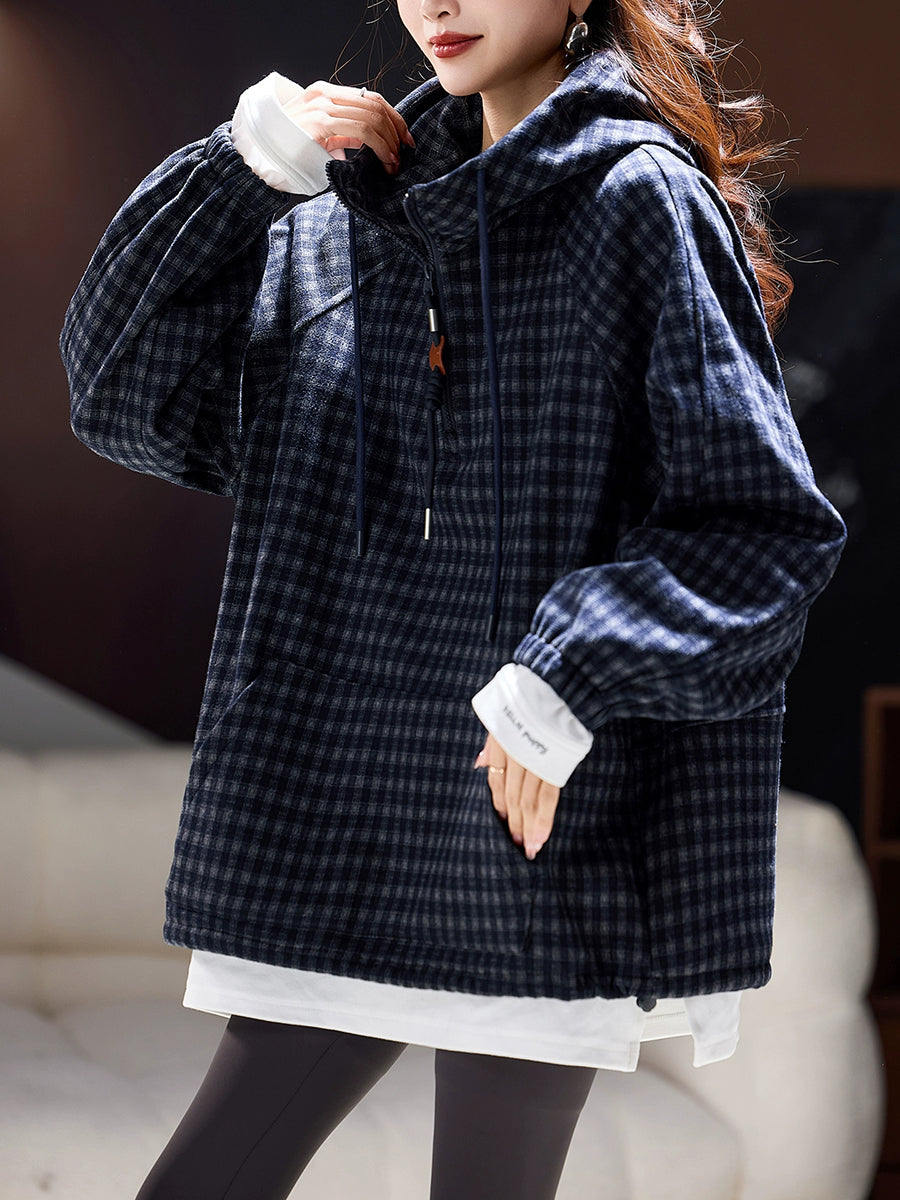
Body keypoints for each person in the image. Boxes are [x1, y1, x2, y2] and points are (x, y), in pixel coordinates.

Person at [59, 0, 847, 1197]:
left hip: (526, 838)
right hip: (334, 823)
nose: (438, 3)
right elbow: (123, 396)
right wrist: (243, 167)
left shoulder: (637, 199)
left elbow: (760, 525)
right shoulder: (340, 216)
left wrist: (562, 677)